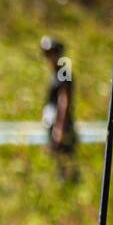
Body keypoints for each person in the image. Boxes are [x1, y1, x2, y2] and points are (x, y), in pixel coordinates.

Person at [39, 36, 77, 182]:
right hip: (56, 127)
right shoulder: (55, 74)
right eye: (46, 53)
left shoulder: (64, 72)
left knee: (66, 166)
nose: (49, 57)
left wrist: (59, 129)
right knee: (59, 166)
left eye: (52, 53)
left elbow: (64, 100)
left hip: (62, 128)